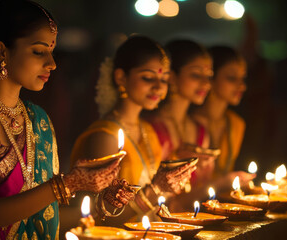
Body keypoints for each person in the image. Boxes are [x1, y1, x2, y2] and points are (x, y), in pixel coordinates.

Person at [0, 1, 134, 239]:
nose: (52, 63)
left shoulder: (37, 119)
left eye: (51, 51)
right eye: (39, 51)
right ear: (1, 51)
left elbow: (46, 217)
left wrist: (101, 201)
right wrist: (67, 184)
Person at [70, 35, 197, 224]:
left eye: (164, 79)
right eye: (147, 77)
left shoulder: (147, 130)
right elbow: (99, 217)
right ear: (121, 77)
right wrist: (155, 190)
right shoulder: (104, 136)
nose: (158, 87)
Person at [143, 39, 214, 189]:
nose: (206, 83)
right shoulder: (150, 128)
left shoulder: (200, 130)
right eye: (196, 75)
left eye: (209, 76)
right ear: (172, 77)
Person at [190, 45, 254, 194]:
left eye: (242, 79)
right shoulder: (192, 122)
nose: (242, 86)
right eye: (232, 78)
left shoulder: (236, 123)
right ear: (211, 79)